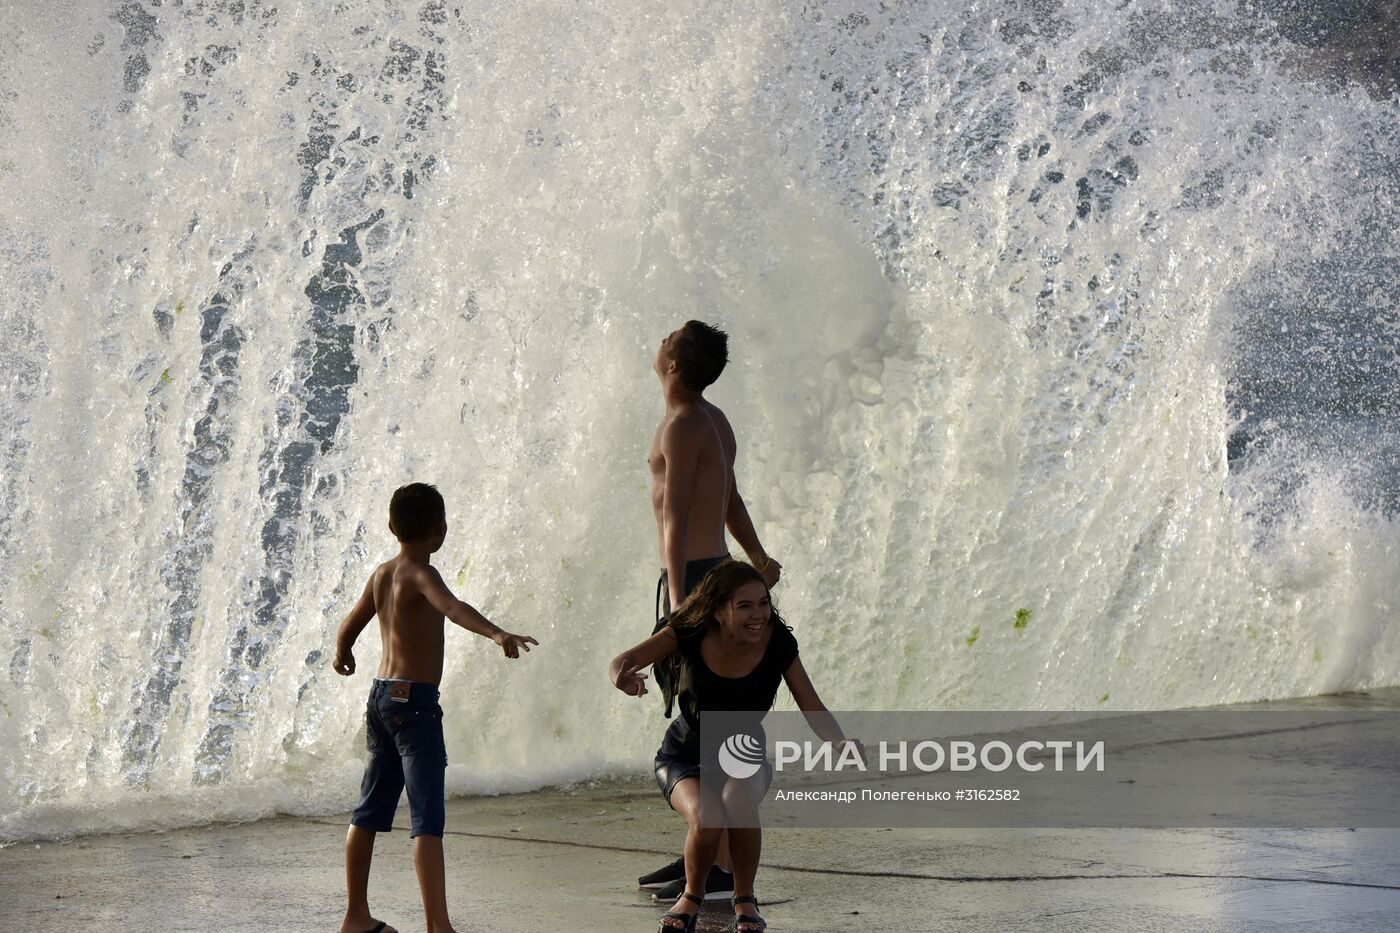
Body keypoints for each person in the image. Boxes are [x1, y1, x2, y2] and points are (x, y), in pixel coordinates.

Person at [332, 483, 538, 933]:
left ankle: (355, 915)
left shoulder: (382, 574)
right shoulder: (423, 574)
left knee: (367, 811)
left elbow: (351, 623)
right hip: (415, 708)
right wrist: (497, 633)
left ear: (391, 527)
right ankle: (438, 925)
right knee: (426, 818)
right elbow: (453, 607)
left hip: (380, 698)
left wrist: (342, 651)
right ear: (440, 530)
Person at [609, 560, 857, 933]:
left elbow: (811, 702)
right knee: (708, 817)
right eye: (745, 606)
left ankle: (745, 899)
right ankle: (692, 897)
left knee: (737, 806)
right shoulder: (690, 632)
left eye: (763, 603)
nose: (758, 615)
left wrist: (839, 741)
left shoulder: (777, 642)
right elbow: (622, 662)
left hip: (743, 751)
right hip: (683, 754)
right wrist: (621, 678)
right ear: (719, 611)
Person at [642, 320, 784, 900]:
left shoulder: (681, 425)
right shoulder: (714, 419)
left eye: (670, 336)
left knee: (706, 718)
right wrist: (756, 556)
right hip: (715, 568)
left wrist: (681, 608)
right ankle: (706, 851)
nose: (661, 338)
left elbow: (676, 518)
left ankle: (718, 864)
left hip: (695, 578)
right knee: (706, 718)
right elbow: (731, 497)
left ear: (674, 364)